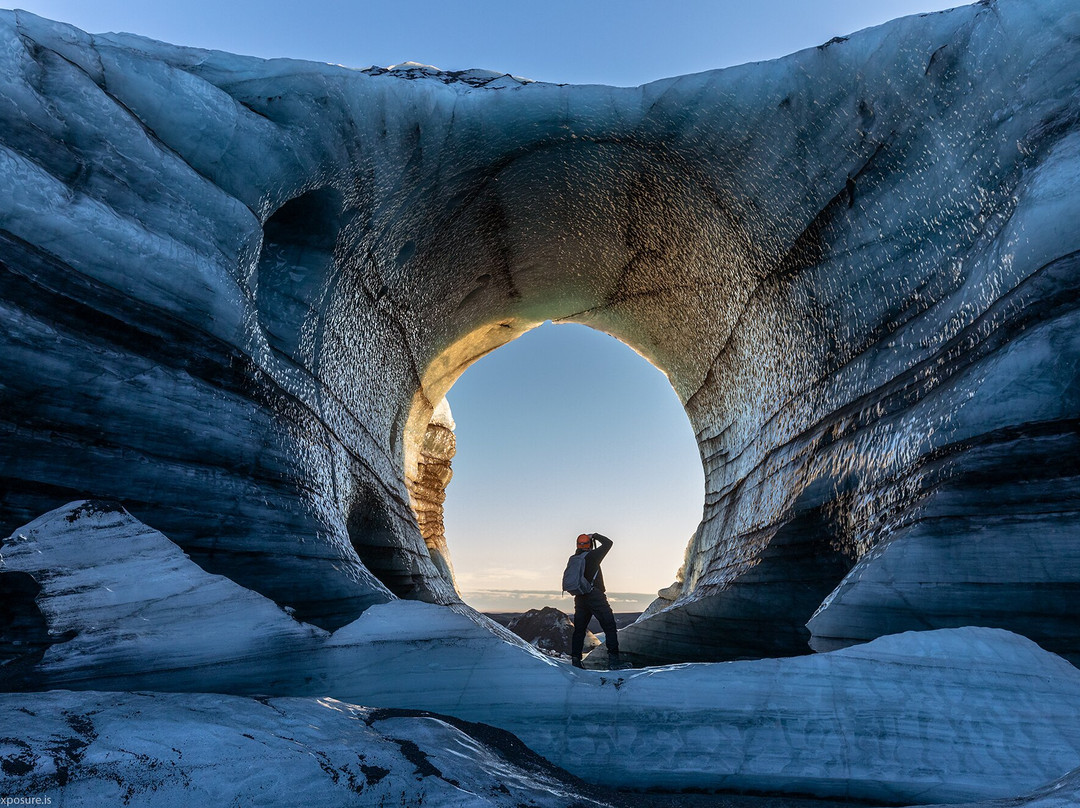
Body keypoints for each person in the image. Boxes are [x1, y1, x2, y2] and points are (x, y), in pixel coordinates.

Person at [570, 532, 624, 670]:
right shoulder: (593, 556)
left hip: (580, 598)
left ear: (577, 545)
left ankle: (576, 660)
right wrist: (595, 535)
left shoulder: (575, 558)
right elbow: (608, 543)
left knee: (579, 630)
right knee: (610, 627)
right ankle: (614, 662)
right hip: (595, 596)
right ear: (589, 544)